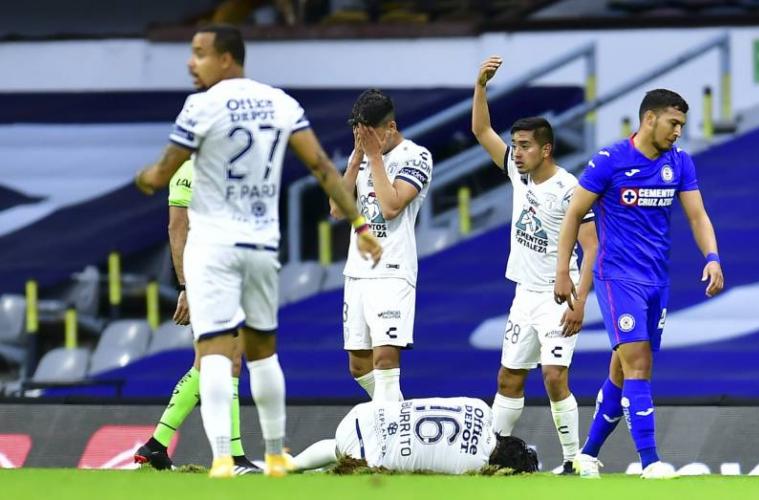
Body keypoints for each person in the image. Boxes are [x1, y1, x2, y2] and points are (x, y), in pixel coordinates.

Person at [134, 24, 382, 478]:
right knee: (262, 353)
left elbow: (163, 174)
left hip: (212, 251)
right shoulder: (281, 103)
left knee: (213, 355)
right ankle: (271, 454)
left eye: (200, 54)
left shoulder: (201, 108)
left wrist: (147, 178)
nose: (191, 62)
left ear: (227, 58)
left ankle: (224, 460)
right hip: (261, 246)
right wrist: (362, 225)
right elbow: (323, 167)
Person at [554, 89, 724, 479]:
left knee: (620, 370)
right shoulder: (610, 161)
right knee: (639, 363)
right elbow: (574, 212)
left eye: (682, 124)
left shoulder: (679, 163)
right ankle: (650, 462)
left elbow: (698, 217)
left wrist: (712, 258)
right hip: (617, 277)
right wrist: (563, 270)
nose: (679, 131)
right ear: (649, 119)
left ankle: (586, 455)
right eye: (673, 123)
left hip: (656, 280)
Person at [471, 56, 598, 475]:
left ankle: (571, 461)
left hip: (559, 296)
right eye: (516, 145)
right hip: (523, 295)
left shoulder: (569, 190)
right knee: (509, 379)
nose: (518, 152)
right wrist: (481, 88)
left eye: (525, 146)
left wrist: (580, 303)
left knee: (554, 376)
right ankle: (490, 459)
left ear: (546, 149)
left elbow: (592, 244)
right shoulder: (517, 174)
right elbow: (480, 131)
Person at [134, 159, 260, 475]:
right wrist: (186, 286)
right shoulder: (188, 172)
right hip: (206, 279)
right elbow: (177, 229)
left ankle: (156, 446)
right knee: (223, 361)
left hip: (228, 277)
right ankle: (232, 456)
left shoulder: (227, 169)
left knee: (211, 363)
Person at [330, 89, 433, 402]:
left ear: (391, 127)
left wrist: (373, 157)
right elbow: (336, 210)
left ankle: (391, 437)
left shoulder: (416, 156)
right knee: (358, 365)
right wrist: (358, 158)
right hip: (357, 271)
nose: (363, 139)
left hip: (392, 270)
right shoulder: (360, 156)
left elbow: (390, 207)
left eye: (369, 133)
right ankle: (400, 415)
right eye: (358, 133)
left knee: (385, 359)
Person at [289, 397, 539, 474]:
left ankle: (290, 465)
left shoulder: (481, 408)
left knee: (338, 446)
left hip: (364, 413)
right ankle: (304, 468)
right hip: (364, 456)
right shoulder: (473, 466)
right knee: (344, 452)